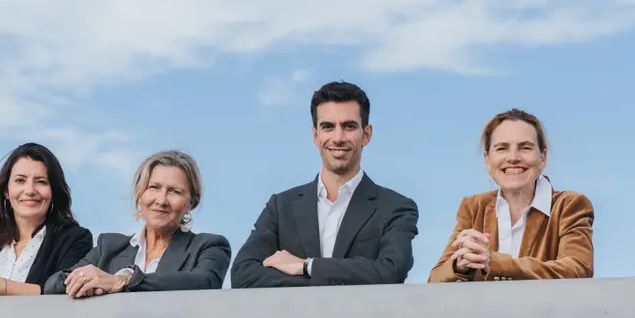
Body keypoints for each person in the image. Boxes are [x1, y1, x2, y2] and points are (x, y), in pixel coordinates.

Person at [231, 80, 419, 288]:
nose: (338, 138)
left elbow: (391, 271)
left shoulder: (396, 208)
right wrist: (321, 282)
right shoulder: (281, 206)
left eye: (348, 126)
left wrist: (307, 267)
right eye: (328, 127)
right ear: (315, 136)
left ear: (366, 135)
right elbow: (243, 274)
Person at [429, 109, 594, 282]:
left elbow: (578, 268)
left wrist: (494, 262)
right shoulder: (474, 207)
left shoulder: (569, 205)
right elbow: (434, 280)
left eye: (525, 148)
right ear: (487, 159)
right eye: (502, 148)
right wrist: (459, 265)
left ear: (543, 157)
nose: (513, 157)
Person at [44, 150, 230, 297]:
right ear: (141, 195)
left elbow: (205, 281)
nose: (161, 200)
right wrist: (83, 281)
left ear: (190, 203)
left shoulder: (209, 246)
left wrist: (121, 281)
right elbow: (52, 284)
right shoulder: (108, 246)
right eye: (154, 187)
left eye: (174, 191)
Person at [0, 142, 93, 297]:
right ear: (6, 191)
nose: (30, 191)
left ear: (53, 192)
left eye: (41, 182)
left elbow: (61, 291)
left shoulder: (75, 239)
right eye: (20, 180)